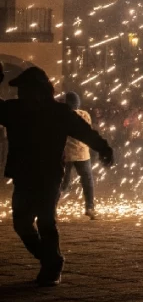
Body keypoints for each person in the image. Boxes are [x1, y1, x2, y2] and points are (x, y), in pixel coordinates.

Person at [0, 66, 114, 286]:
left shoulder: (58, 112)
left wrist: (103, 147)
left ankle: (51, 266)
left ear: (39, 90)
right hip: (24, 175)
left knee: (46, 220)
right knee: (22, 224)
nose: (21, 94)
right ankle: (50, 260)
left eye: (25, 89)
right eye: (20, 90)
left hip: (49, 175)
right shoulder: (15, 110)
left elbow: (83, 131)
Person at [59, 92, 98, 220]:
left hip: (66, 155)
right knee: (87, 181)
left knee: (62, 182)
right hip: (82, 154)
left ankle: (51, 208)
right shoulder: (85, 114)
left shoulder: (62, 115)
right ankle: (90, 207)